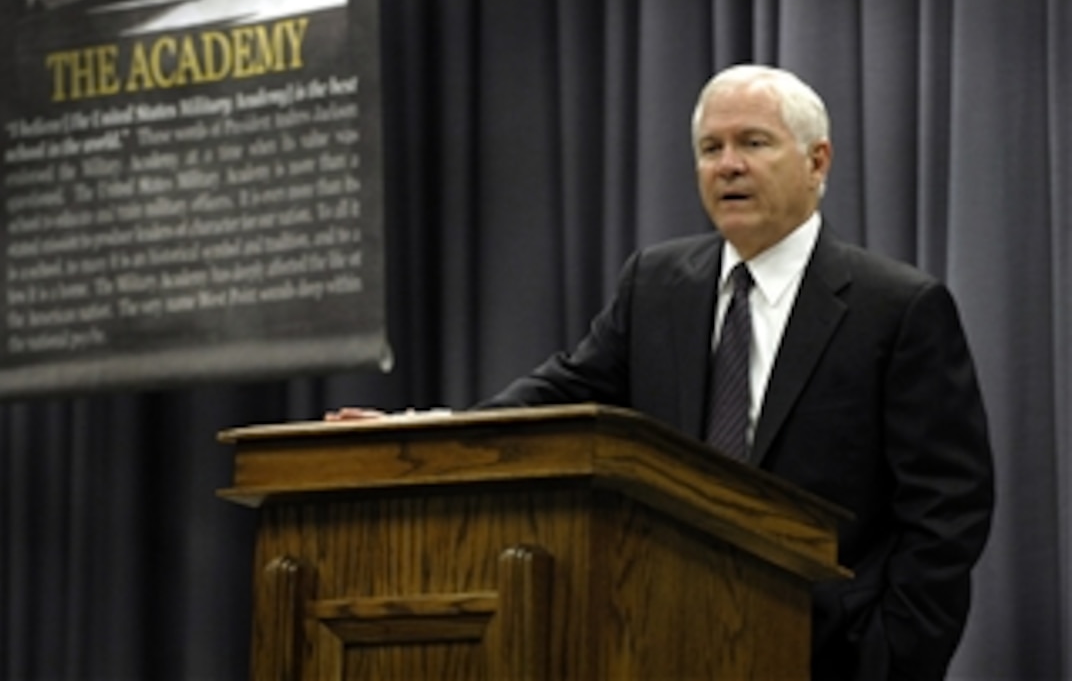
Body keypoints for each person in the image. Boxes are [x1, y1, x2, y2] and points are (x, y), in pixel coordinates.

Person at [327, 64, 995, 680]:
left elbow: (947, 511)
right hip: (662, 638)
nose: (728, 166)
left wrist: (891, 658)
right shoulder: (658, 283)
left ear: (817, 161)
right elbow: (564, 391)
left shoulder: (898, 307)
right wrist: (431, 435)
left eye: (754, 143)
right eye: (711, 149)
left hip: (829, 650)